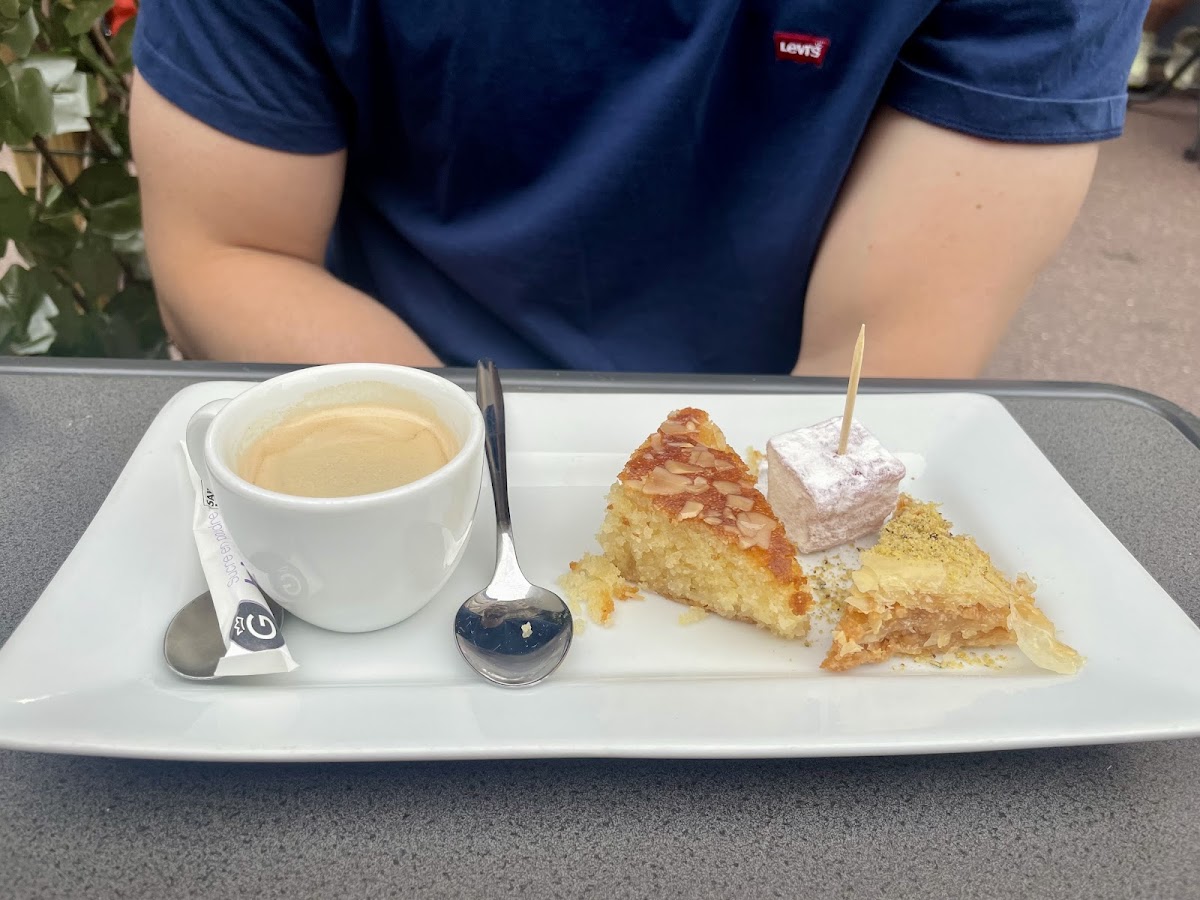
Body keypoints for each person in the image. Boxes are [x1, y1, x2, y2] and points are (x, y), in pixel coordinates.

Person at [129, 1, 1146, 377]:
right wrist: (445, 472)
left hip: (765, 432)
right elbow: (228, 254)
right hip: (388, 384)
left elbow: (874, 371)